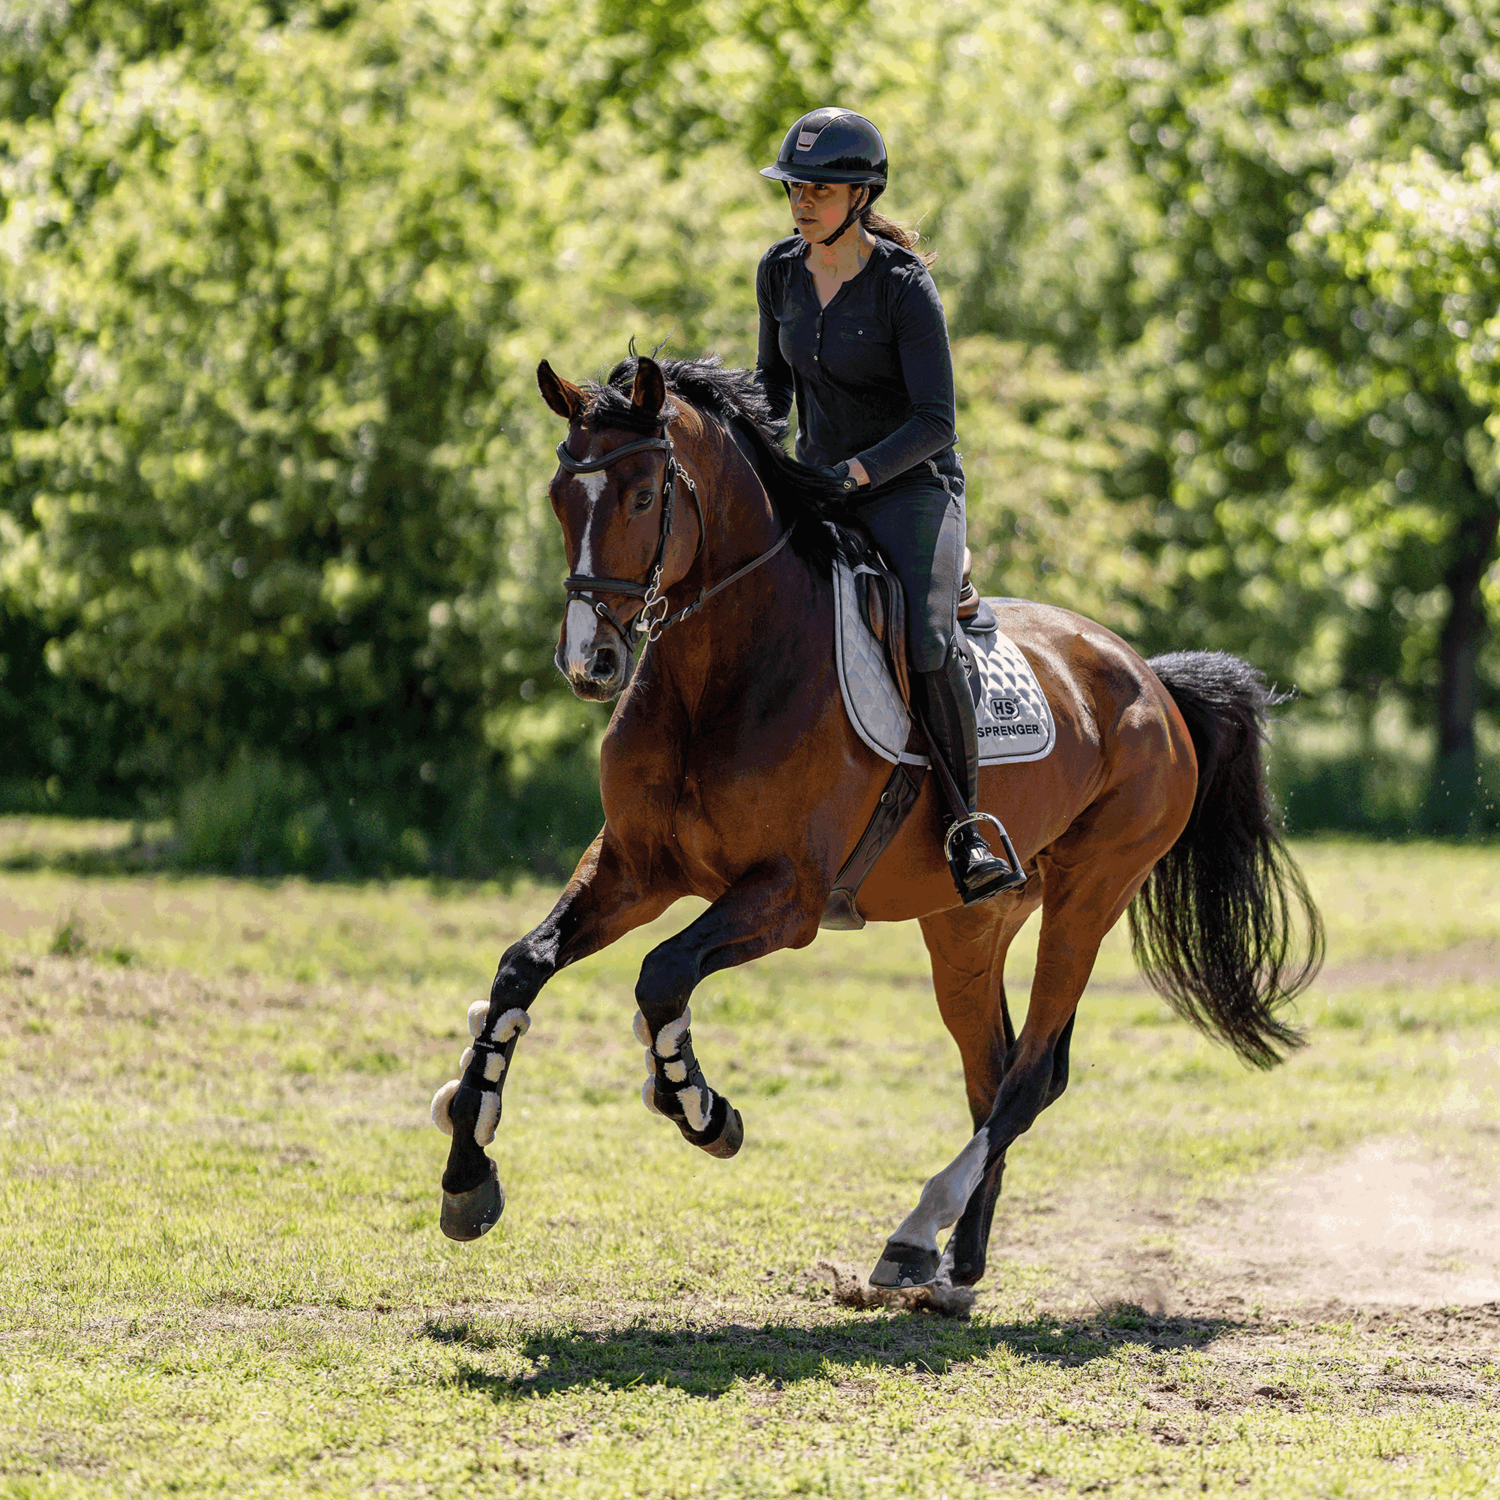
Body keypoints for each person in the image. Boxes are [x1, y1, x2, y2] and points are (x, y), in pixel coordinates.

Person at [754, 106, 1025, 904]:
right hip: (819, 483)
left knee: (929, 638)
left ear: (862, 196)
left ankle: (965, 829)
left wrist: (859, 476)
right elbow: (773, 392)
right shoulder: (778, 271)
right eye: (795, 187)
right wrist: (758, 460)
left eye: (820, 190)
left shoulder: (905, 288)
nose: (802, 202)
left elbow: (937, 421)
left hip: (909, 487)